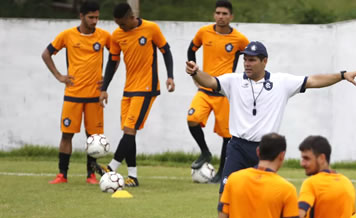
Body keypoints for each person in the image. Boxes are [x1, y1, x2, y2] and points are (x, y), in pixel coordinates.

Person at [186, 40, 356, 194]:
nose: (247, 64)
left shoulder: (282, 82)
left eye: (252, 60)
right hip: (237, 147)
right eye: (245, 60)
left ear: (264, 61)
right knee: (226, 193)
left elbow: (313, 80)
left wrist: (343, 75)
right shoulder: (232, 81)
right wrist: (196, 72)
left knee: (262, 196)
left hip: (266, 150)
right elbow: (210, 81)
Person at [96, 2, 175, 187]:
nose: (120, 27)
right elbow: (112, 62)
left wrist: (170, 76)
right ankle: (133, 176)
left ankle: (111, 168)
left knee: (130, 129)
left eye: (122, 24)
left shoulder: (151, 28)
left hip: (147, 88)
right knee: (128, 132)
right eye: (117, 24)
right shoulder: (117, 35)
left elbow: (166, 51)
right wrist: (104, 88)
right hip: (129, 89)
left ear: (132, 18)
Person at [42, 1, 110, 185]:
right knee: (66, 134)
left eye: (97, 17)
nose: (95, 21)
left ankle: (91, 175)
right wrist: (59, 76)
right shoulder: (67, 35)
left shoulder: (104, 36)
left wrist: (107, 79)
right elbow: (46, 54)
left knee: (94, 138)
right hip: (73, 95)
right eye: (91, 17)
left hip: (94, 96)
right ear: (81, 16)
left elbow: (117, 55)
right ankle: (62, 174)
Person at [186, 0, 249, 183]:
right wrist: (194, 73)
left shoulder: (239, 39)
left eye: (225, 14)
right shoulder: (204, 32)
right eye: (218, 13)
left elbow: (252, 58)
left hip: (224, 93)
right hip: (205, 89)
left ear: (231, 17)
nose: (221, 17)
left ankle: (222, 173)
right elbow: (191, 49)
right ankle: (205, 152)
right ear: (214, 15)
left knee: (227, 136)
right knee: (192, 119)